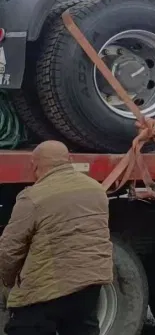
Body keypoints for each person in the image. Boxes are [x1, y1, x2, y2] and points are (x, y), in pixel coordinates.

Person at [0, 141, 113, 335]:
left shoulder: (33, 197)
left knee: (24, 327)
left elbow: (10, 249)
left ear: (34, 166)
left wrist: (8, 283)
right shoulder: (96, 189)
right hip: (90, 283)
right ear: (69, 161)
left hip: (48, 287)